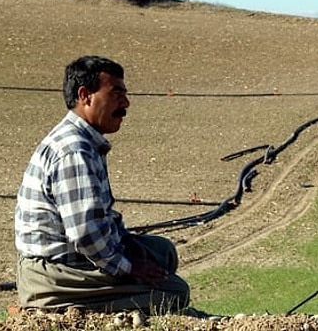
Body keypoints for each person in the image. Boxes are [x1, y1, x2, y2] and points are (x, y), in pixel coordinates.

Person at [14, 55, 190, 314]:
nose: (126, 103)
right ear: (85, 95)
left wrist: (129, 246)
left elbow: (100, 217)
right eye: (116, 93)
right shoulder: (74, 151)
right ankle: (57, 307)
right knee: (174, 292)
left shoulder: (84, 142)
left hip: (70, 259)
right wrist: (130, 267)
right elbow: (87, 234)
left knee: (163, 253)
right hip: (57, 272)